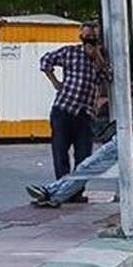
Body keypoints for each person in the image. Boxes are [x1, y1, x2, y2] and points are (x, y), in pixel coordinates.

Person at [40, 22, 112, 193]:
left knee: (83, 157)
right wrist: (56, 82)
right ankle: (63, 189)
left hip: (85, 114)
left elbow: (108, 76)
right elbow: (45, 61)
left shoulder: (101, 58)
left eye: (93, 38)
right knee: (60, 152)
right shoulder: (70, 52)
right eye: (86, 37)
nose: (89, 41)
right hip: (64, 108)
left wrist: (97, 57)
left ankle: (76, 190)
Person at [26, 134, 117, 208]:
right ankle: (51, 191)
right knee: (86, 167)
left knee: (88, 168)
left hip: (122, 139)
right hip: (120, 138)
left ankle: (54, 195)